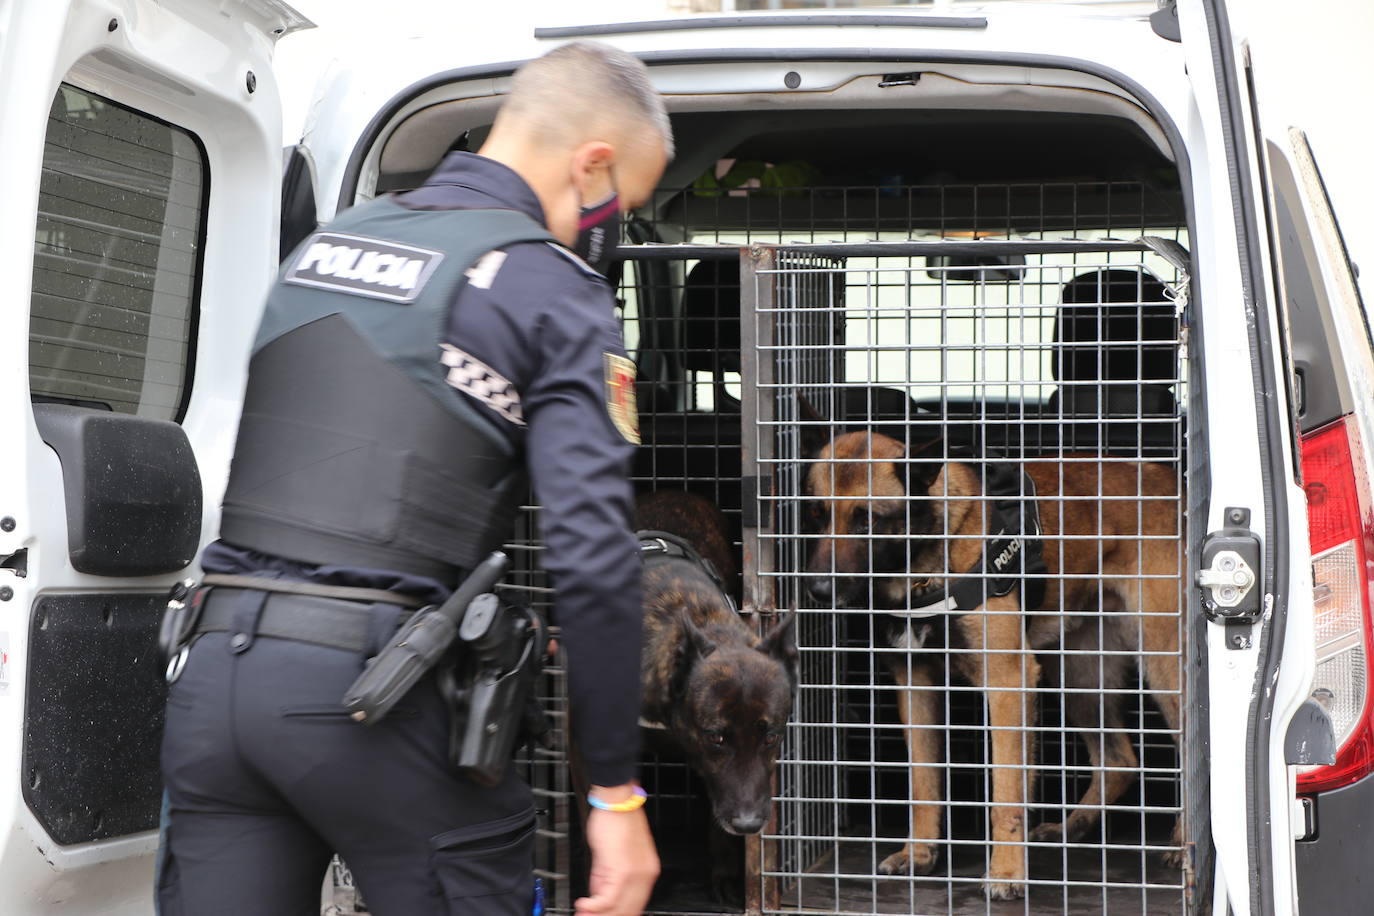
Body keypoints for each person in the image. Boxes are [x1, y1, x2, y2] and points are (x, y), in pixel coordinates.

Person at [156, 41, 669, 916]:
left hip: (212, 682)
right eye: (622, 201)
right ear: (592, 167)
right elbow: (593, 563)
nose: (610, 225)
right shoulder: (551, 289)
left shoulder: (329, 244)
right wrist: (616, 794)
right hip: (374, 700)